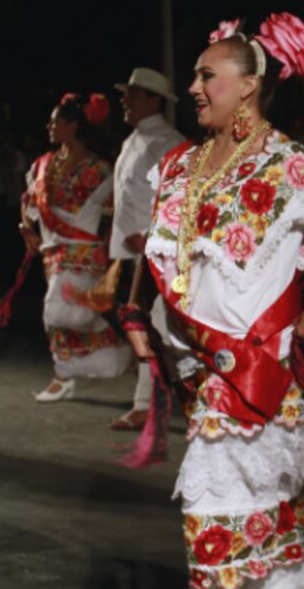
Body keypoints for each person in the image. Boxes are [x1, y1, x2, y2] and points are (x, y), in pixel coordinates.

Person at [134, 14, 304, 588]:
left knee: (222, 531)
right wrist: (140, 317)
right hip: (200, 377)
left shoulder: (289, 165)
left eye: (207, 76)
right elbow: (170, 267)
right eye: (195, 77)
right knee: (279, 520)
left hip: (256, 378)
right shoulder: (177, 166)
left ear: (249, 84)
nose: (194, 88)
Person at [20, 93, 133, 401]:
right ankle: (73, 372)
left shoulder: (100, 170)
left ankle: (73, 370)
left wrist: (114, 250)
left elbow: (115, 214)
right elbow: (28, 203)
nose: (49, 126)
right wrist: (26, 229)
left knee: (55, 312)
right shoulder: (43, 165)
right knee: (62, 318)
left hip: (84, 252)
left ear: (72, 125)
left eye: (55, 121)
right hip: (52, 251)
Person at [107, 67, 185, 430]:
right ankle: (158, 400)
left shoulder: (167, 141)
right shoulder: (135, 139)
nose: (125, 101)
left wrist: (151, 236)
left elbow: (175, 199)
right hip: (133, 251)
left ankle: (153, 403)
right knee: (148, 324)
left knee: (154, 324)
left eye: (133, 95)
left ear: (154, 101)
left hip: (156, 249)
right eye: (127, 95)